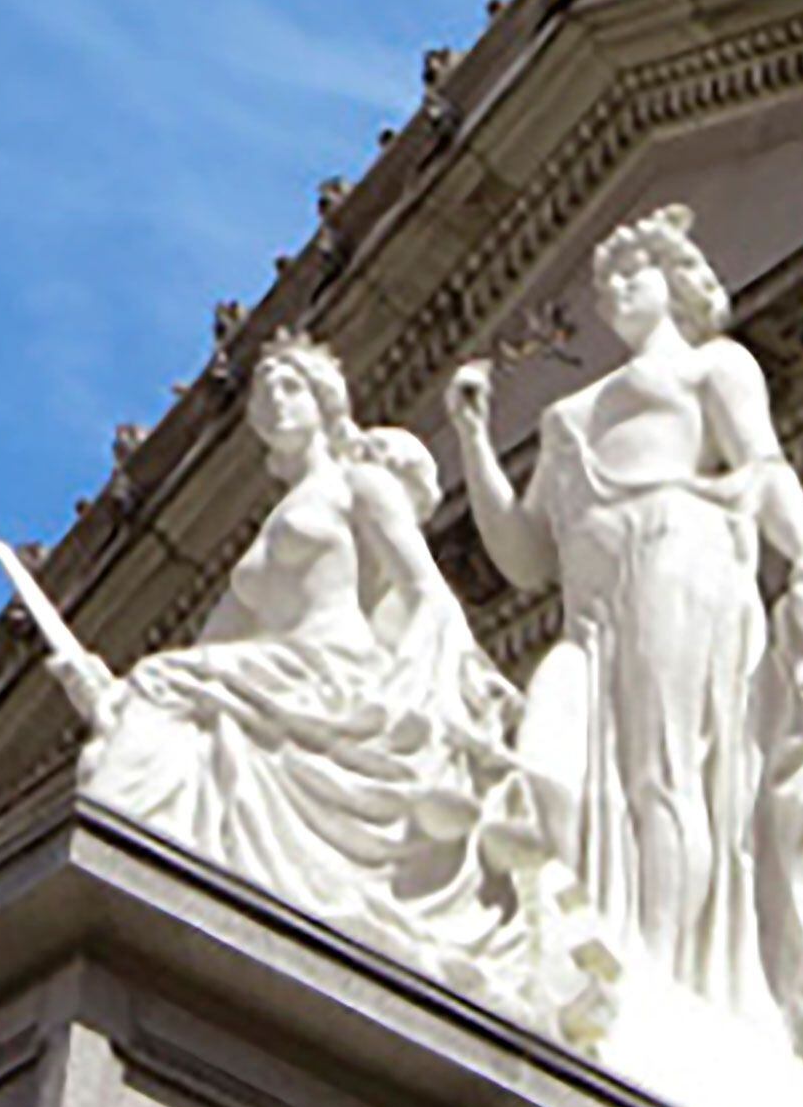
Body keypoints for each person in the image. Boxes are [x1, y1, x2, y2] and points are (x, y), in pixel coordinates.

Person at [41, 330, 600, 1033]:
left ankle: (107, 888)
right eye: (264, 390)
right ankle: (107, 896)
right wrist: (102, 688)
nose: (275, 399)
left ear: (326, 402)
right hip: (274, 672)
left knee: (162, 695)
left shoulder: (359, 484)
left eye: (290, 385)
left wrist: (421, 690)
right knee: (158, 698)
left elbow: (424, 591)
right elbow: (208, 652)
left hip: (337, 672)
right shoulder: (268, 531)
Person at [445, 203, 803, 1055]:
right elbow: (526, 559)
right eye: (604, 282)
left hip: (682, 560)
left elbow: (766, 468)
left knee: (668, 779)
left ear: (675, 281)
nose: (612, 293)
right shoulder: (570, 417)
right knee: (548, 772)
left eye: (631, 274)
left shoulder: (715, 366)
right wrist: (471, 438)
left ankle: (662, 980)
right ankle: (588, 950)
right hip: (590, 613)